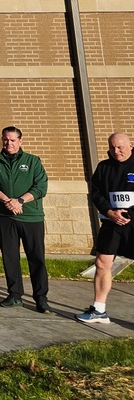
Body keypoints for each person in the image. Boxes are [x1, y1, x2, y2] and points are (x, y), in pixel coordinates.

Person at [0, 125, 49, 311]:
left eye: (12, 140)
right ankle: (14, 295)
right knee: (10, 257)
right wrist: (7, 201)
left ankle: (41, 298)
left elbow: (40, 187)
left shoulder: (33, 161)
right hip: (5, 216)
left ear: (20, 141)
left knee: (36, 258)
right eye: (5, 139)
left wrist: (19, 201)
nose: (8, 143)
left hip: (31, 217)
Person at [76, 132, 134, 324]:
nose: (116, 151)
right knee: (102, 263)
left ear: (131, 145)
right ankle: (99, 311)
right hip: (111, 223)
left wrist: (129, 214)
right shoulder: (103, 167)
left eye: (120, 147)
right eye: (112, 147)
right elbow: (96, 193)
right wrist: (110, 212)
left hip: (132, 223)